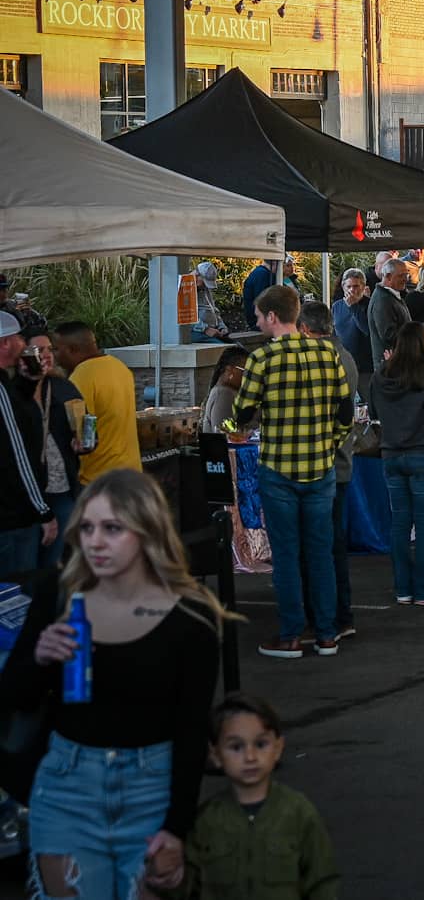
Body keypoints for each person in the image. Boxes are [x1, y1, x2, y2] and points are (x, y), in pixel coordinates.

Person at [0, 470, 227, 900]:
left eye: (112, 528)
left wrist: (177, 829)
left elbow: (191, 731)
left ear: (147, 532)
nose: (95, 542)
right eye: (86, 527)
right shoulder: (60, 595)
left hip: (150, 788)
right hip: (67, 786)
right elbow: (13, 697)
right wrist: (41, 658)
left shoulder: (191, 620)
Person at [228, 284, 352, 658]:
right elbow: (345, 413)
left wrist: (235, 422)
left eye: (258, 315)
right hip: (320, 467)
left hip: (279, 468)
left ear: (271, 316)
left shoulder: (261, 360)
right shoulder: (329, 354)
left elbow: (243, 414)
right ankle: (327, 633)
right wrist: (328, 443)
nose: (256, 321)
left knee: (285, 556)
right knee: (321, 553)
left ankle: (291, 634)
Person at [179, 692, 341, 900]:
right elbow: (185, 885)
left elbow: (322, 881)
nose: (250, 756)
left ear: (278, 748)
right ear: (215, 755)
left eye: (261, 744)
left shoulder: (299, 813)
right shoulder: (206, 821)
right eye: (236, 747)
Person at [368, 323, 424, 606]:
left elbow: (372, 412)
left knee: (400, 524)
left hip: (391, 455)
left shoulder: (381, 375)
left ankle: (403, 587)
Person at [17, 322, 81, 570]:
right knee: (25, 566)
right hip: (28, 493)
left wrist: (84, 441)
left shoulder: (64, 387)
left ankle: (52, 607)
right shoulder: (13, 392)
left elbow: (84, 424)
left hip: (61, 486)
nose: (45, 356)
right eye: (38, 351)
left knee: (56, 565)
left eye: (49, 350)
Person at [0, 312, 57, 572]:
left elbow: (18, 416)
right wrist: (42, 510)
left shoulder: (6, 385)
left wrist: (26, 382)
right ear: (5, 344)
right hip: (13, 518)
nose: (25, 345)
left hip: (12, 515)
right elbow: (16, 453)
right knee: (17, 595)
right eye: (19, 339)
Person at [50, 321, 139, 485]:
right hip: (131, 471)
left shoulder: (81, 377)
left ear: (72, 350)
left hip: (99, 478)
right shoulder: (120, 367)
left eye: (55, 349)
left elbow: (79, 432)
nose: (52, 355)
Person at [330, 267, 373, 369]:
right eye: (348, 286)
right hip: (342, 362)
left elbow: (367, 330)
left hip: (364, 365)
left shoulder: (370, 305)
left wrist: (354, 307)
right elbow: (333, 332)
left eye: (356, 286)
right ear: (343, 287)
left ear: (363, 287)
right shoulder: (337, 306)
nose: (352, 290)